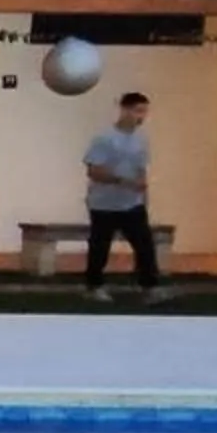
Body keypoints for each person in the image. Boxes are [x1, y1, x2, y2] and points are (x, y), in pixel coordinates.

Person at [82, 91, 163, 300]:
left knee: (144, 245)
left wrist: (144, 195)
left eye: (144, 111)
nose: (141, 116)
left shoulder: (141, 140)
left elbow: (141, 170)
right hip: (104, 204)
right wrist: (123, 181)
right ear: (124, 110)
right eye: (138, 111)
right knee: (100, 246)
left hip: (132, 204)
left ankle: (150, 287)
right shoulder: (105, 138)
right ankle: (94, 286)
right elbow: (94, 171)